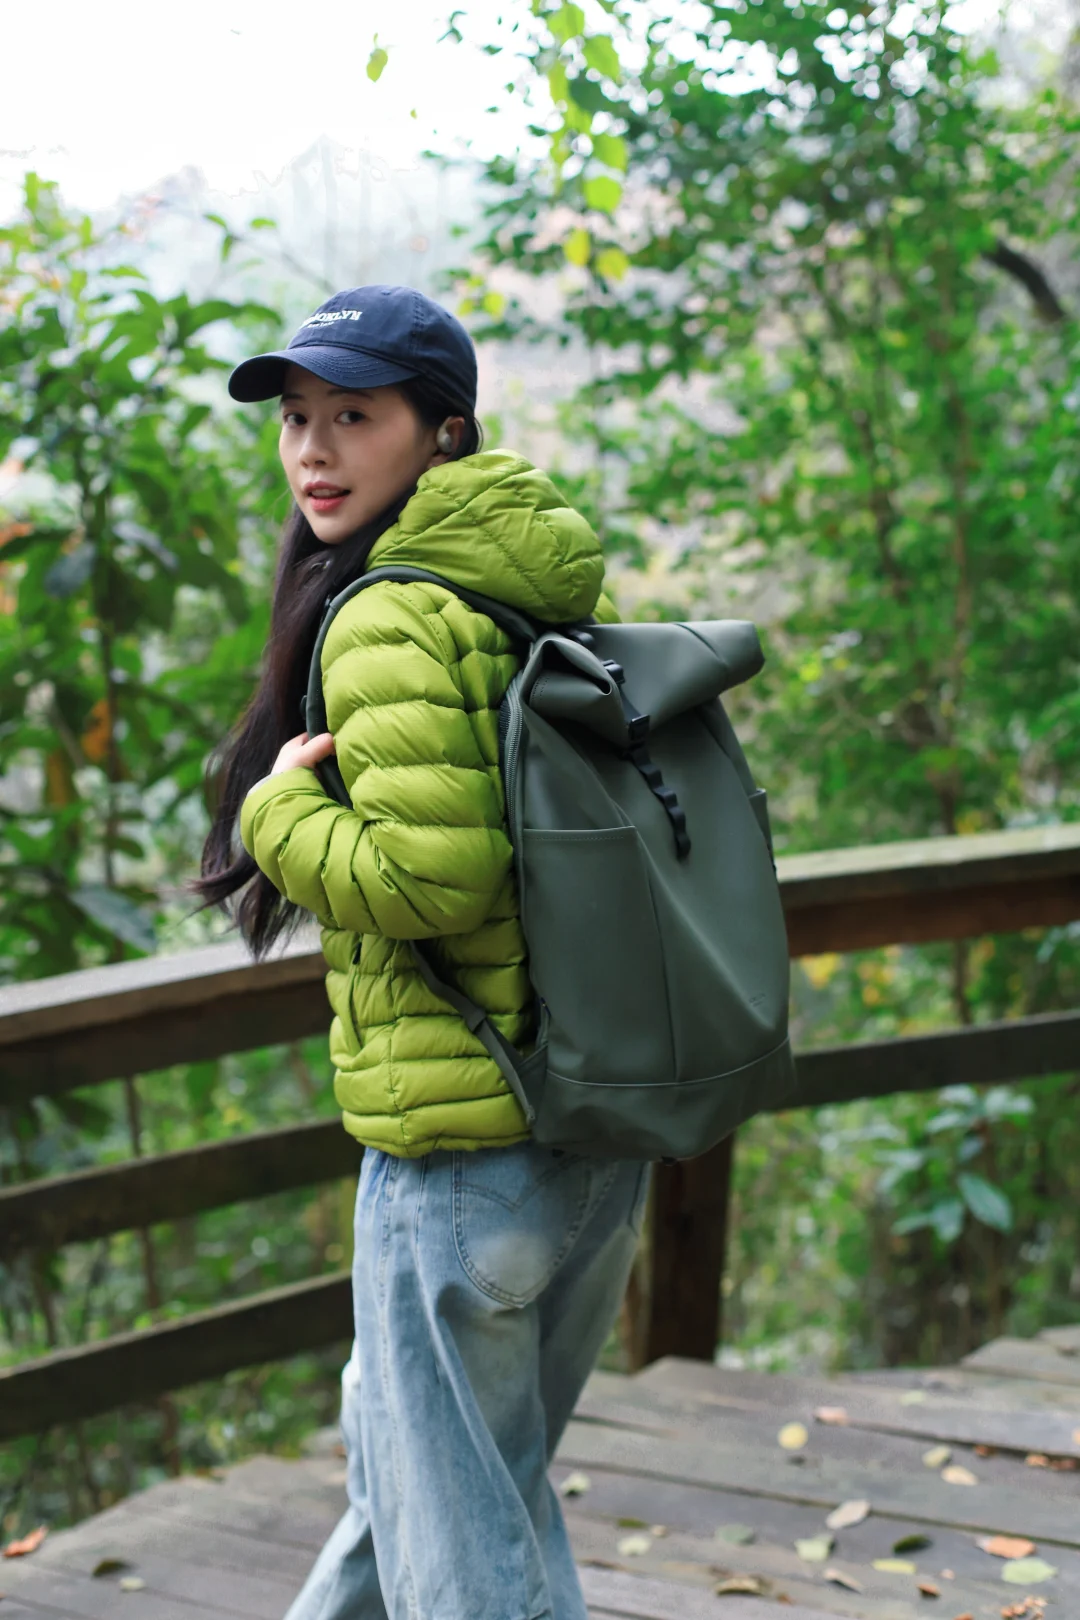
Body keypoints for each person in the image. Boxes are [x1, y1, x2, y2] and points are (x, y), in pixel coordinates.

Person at [199, 285, 650, 1620]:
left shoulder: (392, 613)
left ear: (443, 431)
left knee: (471, 1570)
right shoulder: (522, 587)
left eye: (354, 416)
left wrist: (275, 811)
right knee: (424, 1500)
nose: (312, 450)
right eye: (296, 417)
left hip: (458, 1157)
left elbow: (428, 880)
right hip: (586, 1125)